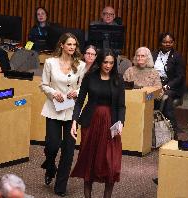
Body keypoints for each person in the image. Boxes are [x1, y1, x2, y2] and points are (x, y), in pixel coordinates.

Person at [70, 49, 126, 198]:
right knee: (90, 160)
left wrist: (121, 122)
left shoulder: (118, 79)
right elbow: (80, 101)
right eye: (105, 62)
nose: (108, 65)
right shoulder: (90, 77)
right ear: (100, 62)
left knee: (111, 163)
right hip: (91, 121)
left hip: (111, 123)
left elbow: (121, 105)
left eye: (111, 63)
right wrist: (74, 121)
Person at [39, 33, 86, 197]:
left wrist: (77, 92)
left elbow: (83, 87)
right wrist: (53, 93)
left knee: (68, 150)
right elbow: (43, 85)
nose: (72, 47)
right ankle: (50, 166)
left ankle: (60, 187)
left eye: (74, 45)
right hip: (53, 109)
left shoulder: (80, 65)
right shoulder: (50, 62)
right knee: (52, 145)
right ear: (62, 45)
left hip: (71, 111)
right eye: (69, 44)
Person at [152, 32, 186, 138]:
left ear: (173, 43)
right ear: (160, 43)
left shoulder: (177, 56)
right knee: (146, 96)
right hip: (155, 84)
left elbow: (180, 77)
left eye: (170, 42)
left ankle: (173, 131)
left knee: (166, 98)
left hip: (172, 87)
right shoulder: (153, 54)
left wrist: (167, 86)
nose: (167, 44)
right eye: (165, 42)